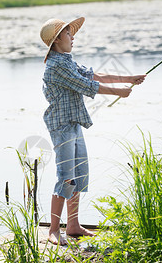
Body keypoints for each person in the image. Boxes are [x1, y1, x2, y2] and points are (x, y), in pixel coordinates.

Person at [40, 17, 146, 245]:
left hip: (74, 123)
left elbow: (93, 76)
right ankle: (54, 230)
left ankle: (74, 225)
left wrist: (129, 79)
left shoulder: (66, 60)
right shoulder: (56, 65)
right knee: (66, 176)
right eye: (68, 34)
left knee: (78, 173)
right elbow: (86, 86)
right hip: (62, 127)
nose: (73, 37)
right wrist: (118, 92)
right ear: (57, 39)